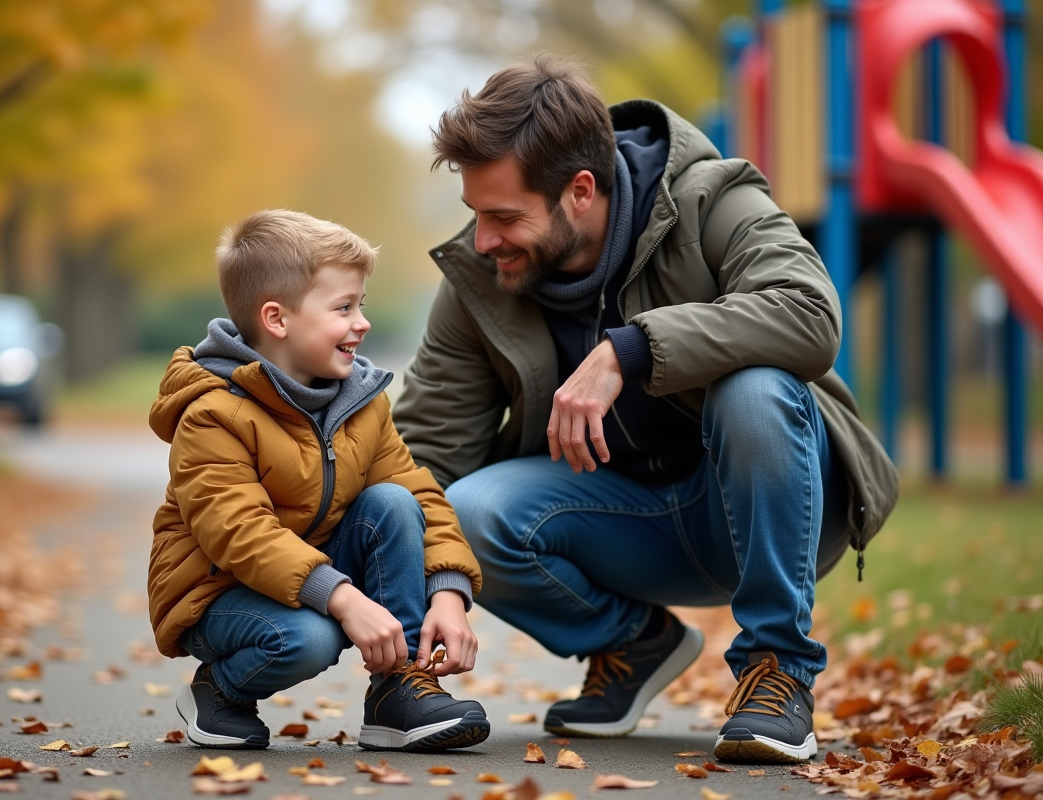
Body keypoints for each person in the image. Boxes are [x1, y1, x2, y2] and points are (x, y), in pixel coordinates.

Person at [392, 55, 898, 764]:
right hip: (623, 527)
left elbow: (809, 314)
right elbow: (427, 455)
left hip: (769, 505)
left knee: (753, 388)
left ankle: (779, 670)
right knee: (468, 510)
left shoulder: (712, 198)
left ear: (580, 191)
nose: (483, 241)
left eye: (504, 217)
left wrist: (629, 351)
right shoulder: (483, 281)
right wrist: (414, 588)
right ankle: (633, 643)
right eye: (476, 214)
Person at [147, 209, 489, 752]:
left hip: (315, 571)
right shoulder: (212, 413)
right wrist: (343, 599)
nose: (362, 322)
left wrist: (447, 590)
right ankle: (219, 690)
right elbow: (239, 533)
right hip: (218, 591)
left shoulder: (357, 402)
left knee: (393, 502)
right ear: (278, 320)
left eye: (362, 305)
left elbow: (419, 493)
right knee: (308, 637)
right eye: (344, 307)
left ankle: (397, 691)